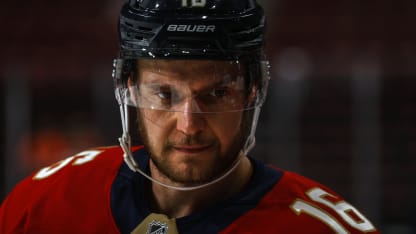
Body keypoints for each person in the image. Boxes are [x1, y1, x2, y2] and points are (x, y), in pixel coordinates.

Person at [0, 0, 380, 233]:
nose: (189, 123)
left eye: (217, 94)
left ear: (254, 90)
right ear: (129, 88)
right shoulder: (47, 203)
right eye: (164, 94)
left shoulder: (318, 228)